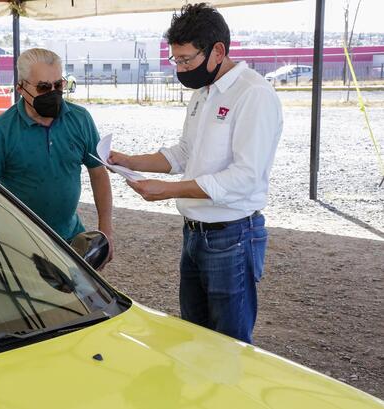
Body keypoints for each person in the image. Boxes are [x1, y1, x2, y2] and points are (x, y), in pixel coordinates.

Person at [109, 3, 282, 344]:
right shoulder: (204, 93)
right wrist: (129, 161)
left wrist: (170, 190)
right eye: (177, 60)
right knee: (195, 336)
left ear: (218, 51)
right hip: (194, 233)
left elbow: (245, 176)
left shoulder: (254, 94)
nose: (182, 68)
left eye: (187, 60)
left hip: (231, 236)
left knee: (229, 342)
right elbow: (185, 152)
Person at [0, 48, 114, 266]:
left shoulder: (80, 119)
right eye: (43, 87)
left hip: (70, 240)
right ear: (20, 87)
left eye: (58, 85)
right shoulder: (2, 130)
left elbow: (98, 172)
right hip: (17, 246)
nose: (53, 93)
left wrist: (106, 231)